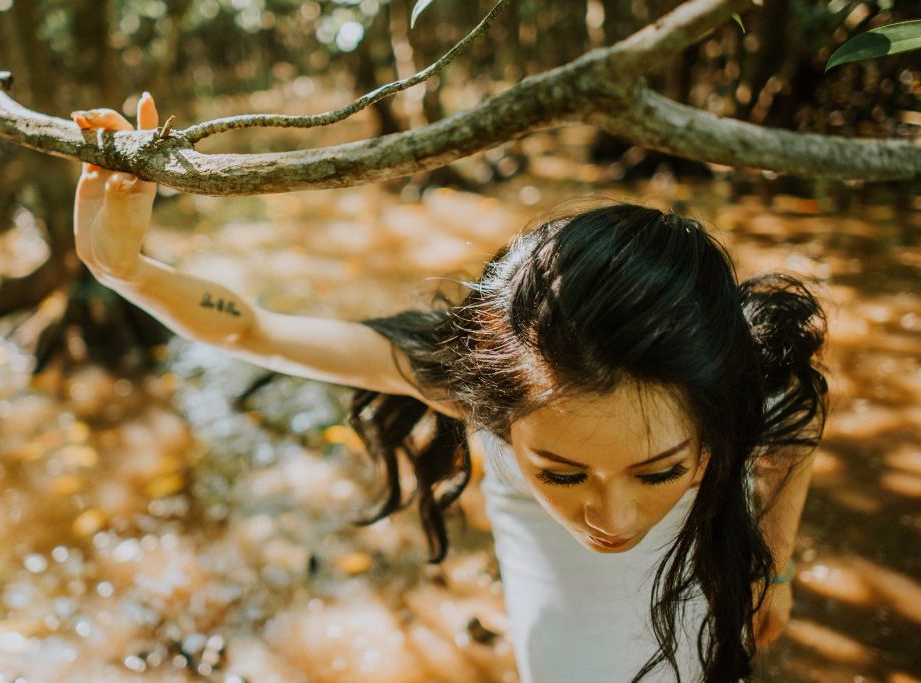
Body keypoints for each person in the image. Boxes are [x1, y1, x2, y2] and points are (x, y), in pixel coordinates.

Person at [71, 93, 829, 683]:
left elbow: (795, 425)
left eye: (661, 470)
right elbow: (254, 330)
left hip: (699, 626)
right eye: (559, 472)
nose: (610, 517)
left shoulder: (731, 381)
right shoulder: (478, 388)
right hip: (559, 650)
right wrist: (124, 270)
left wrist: (780, 568)